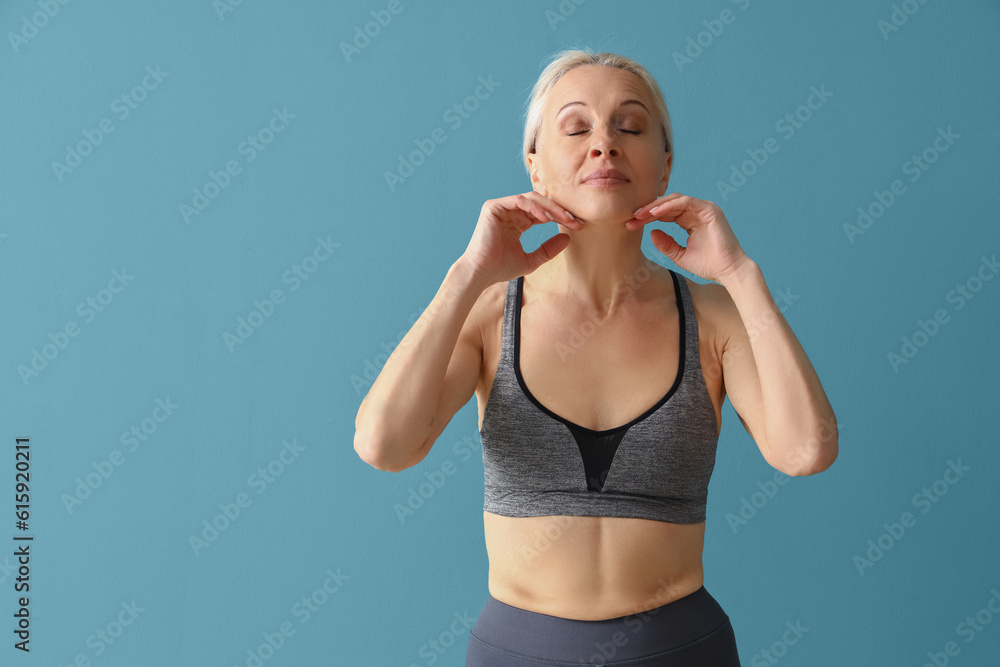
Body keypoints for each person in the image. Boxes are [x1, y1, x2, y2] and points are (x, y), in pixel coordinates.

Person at [354, 48, 838, 666]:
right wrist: (465, 277)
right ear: (535, 167)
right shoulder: (484, 316)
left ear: (664, 167)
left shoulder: (714, 317)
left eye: (630, 127)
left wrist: (741, 276)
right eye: (576, 127)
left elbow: (806, 451)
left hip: (682, 649)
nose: (604, 145)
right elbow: (383, 446)